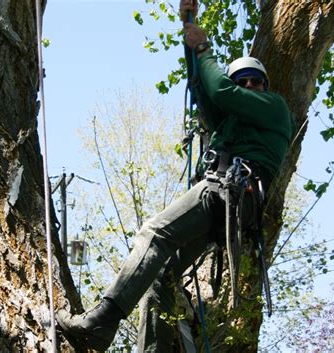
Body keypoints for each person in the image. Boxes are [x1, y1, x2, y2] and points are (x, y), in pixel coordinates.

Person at [57, 0, 293, 351]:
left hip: (226, 192)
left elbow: (219, 91)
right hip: (225, 205)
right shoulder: (232, 124)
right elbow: (202, 87)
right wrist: (190, 26)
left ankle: (99, 321)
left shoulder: (274, 108)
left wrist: (204, 46)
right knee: (161, 275)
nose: (248, 85)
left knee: (154, 233)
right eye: (242, 80)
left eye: (254, 81)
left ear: (263, 86)